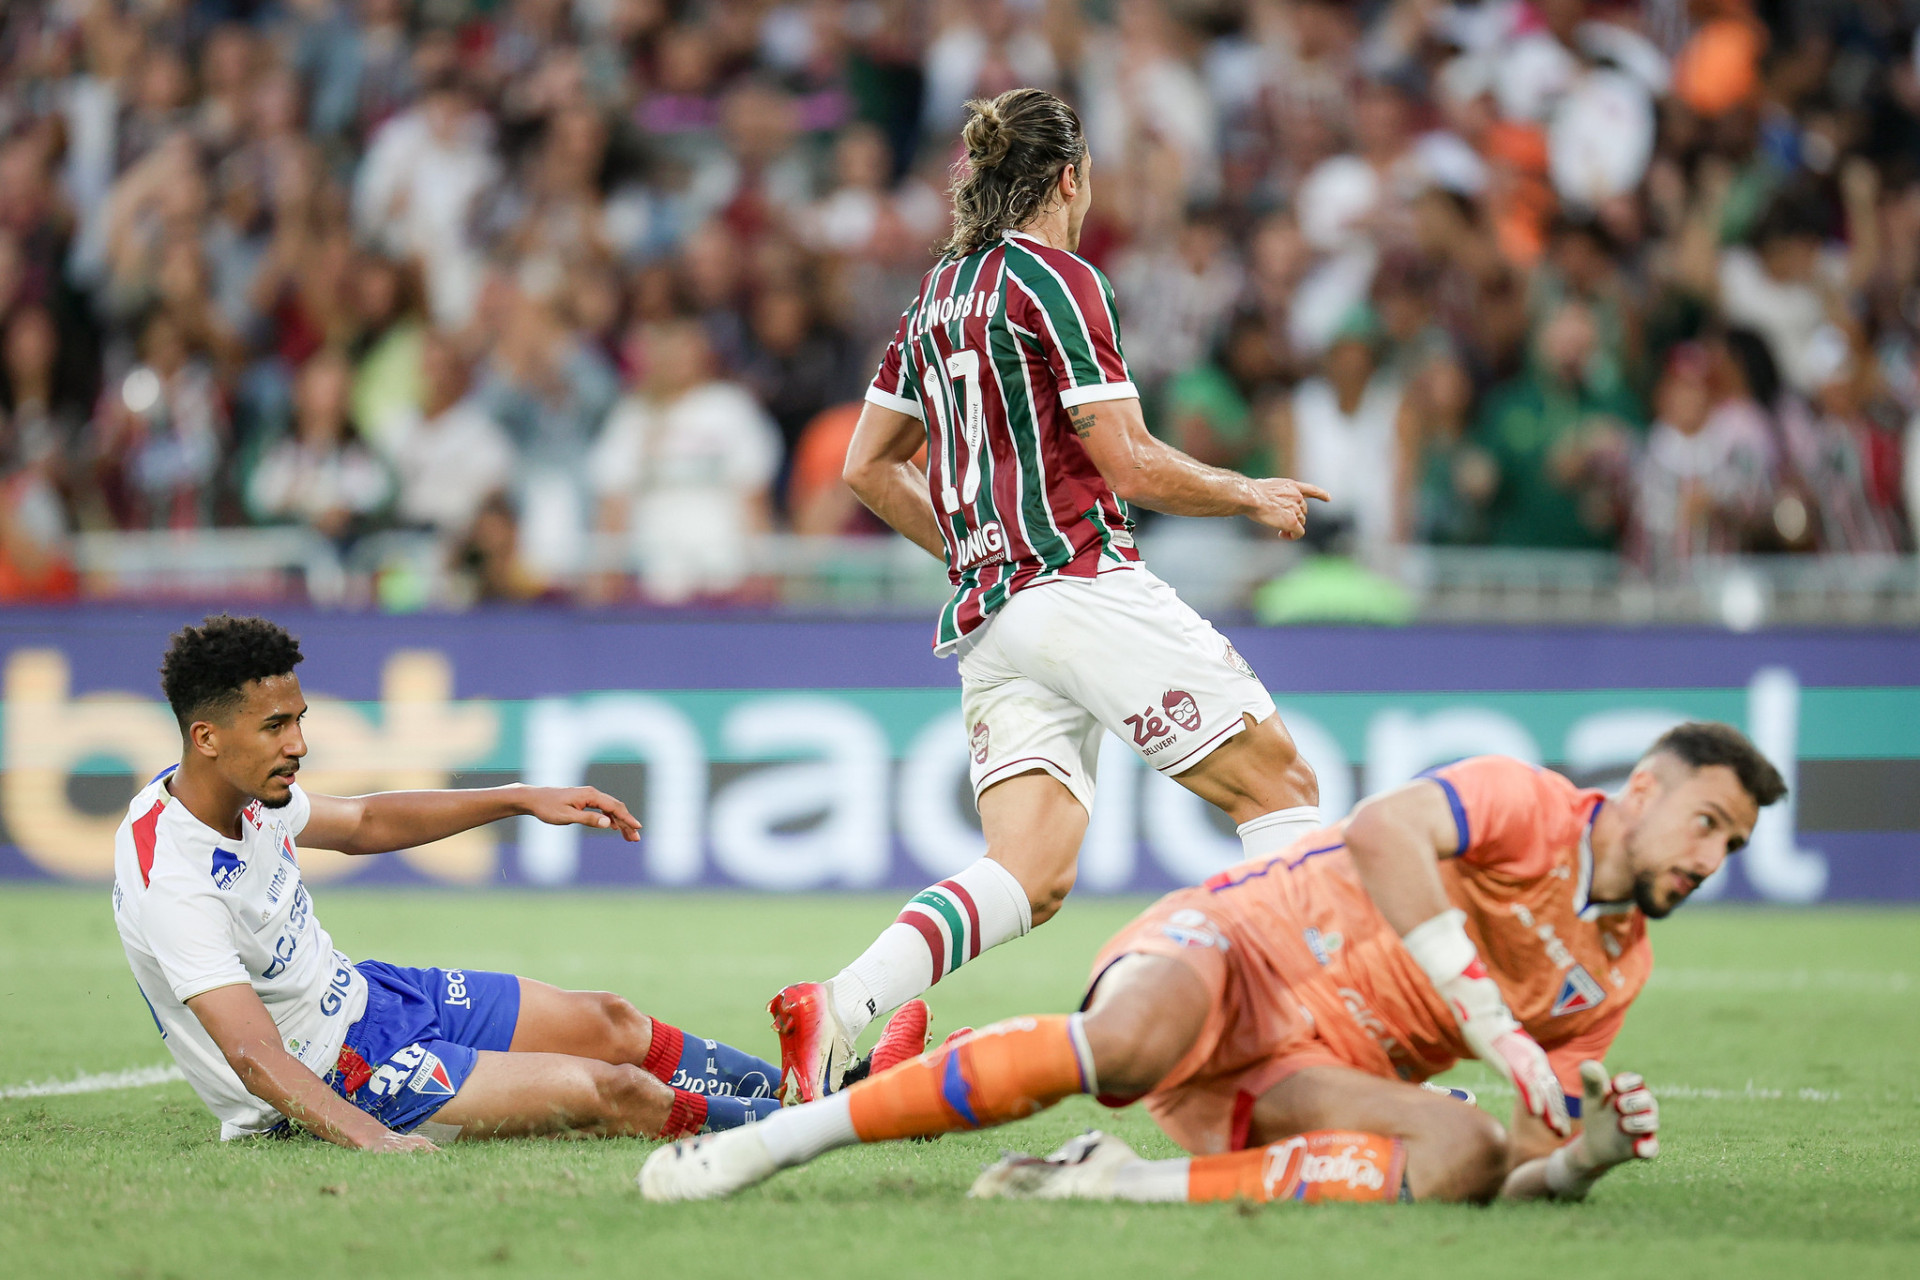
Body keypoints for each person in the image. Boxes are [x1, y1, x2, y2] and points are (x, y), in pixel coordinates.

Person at [767, 88, 1333, 1106]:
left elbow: (864, 464)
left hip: (995, 620)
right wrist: (1248, 488)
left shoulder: (934, 295)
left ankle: (839, 1004)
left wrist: (976, 550)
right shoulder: (1059, 279)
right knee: (1279, 791)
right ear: (1071, 177)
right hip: (1077, 584)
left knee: (1030, 872)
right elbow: (1128, 460)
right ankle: (1311, 1060)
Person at [643, 722, 1785, 1206]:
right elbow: (1386, 833)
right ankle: (771, 1139)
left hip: (1302, 1070)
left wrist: (1581, 1158)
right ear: (1643, 788)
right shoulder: (1525, 801)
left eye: (1731, 845)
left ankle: (1114, 1185)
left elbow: (1519, 1157)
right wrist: (1490, 1026)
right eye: (1706, 821)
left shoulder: (1614, 973)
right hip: (1236, 948)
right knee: (1127, 1047)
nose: (1711, 855)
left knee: (1464, 1148)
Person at [112, 614, 786, 1149]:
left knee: (612, 1021)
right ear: (206, 737)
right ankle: (811, 1125)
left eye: (299, 720)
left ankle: (809, 1089)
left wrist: (518, 797)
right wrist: (371, 1138)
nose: (299, 745)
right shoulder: (173, 879)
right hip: (338, 1080)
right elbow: (253, 1053)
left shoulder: (247, 792)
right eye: (276, 726)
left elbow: (367, 822)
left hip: (373, 998)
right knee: (612, 1092)